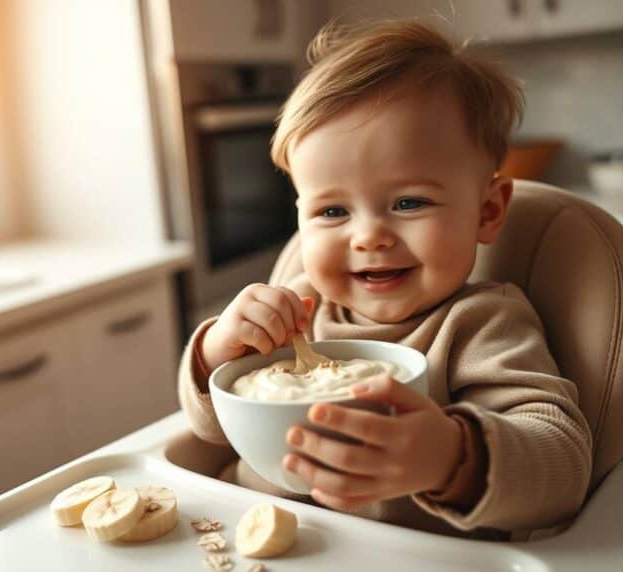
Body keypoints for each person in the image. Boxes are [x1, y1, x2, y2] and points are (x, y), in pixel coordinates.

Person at [178, 19, 592, 540]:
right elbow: (209, 431)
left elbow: (564, 469)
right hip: (246, 539)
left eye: (409, 202)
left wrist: (448, 458)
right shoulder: (298, 310)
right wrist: (216, 352)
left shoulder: (480, 326)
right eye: (332, 211)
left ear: (486, 211)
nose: (368, 236)